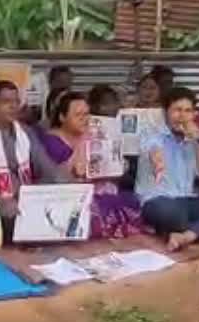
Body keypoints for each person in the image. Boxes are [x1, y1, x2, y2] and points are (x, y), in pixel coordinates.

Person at [137, 88, 199, 251]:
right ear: (166, 112)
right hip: (158, 200)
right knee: (169, 212)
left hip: (188, 200)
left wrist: (198, 142)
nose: (182, 116)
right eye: (177, 110)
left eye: (188, 111)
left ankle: (186, 236)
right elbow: (153, 149)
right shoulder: (152, 134)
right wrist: (157, 160)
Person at [42, 93, 144, 240]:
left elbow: (113, 166)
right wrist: (81, 145)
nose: (85, 119)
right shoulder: (52, 140)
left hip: (101, 187)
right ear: (62, 117)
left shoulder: (96, 134)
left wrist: (119, 165)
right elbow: (59, 176)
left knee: (129, 200)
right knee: (95, 208)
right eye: (78, 115)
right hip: (70, 194)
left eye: (86, 114)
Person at [0, 81, 66, 226]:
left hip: (26, 195)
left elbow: (45, 165)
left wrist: (65, 186)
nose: (13, 107)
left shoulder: (25, 131)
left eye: (16, 102)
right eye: (6, 102)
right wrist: (0, 199)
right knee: (9, 211)